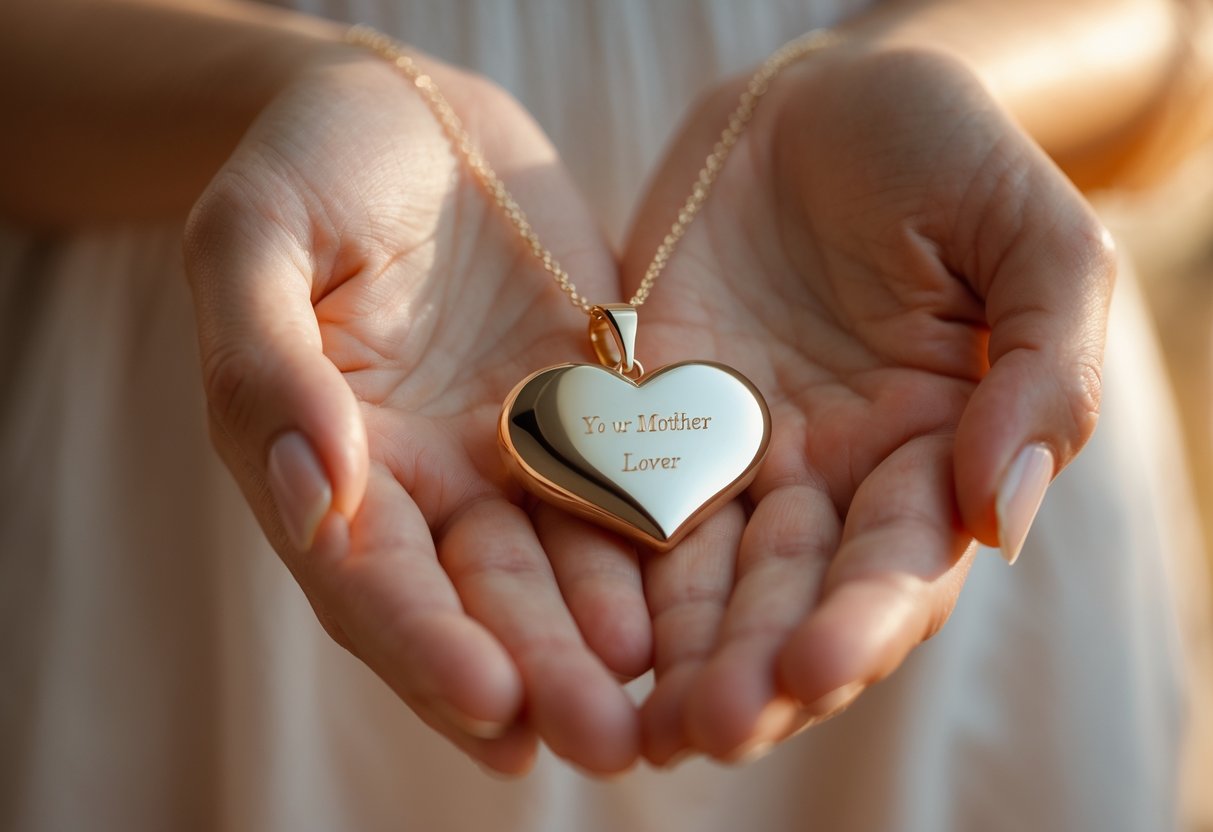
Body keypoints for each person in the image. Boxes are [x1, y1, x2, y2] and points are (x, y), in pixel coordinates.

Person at [1, 0, 1210, 829]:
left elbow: (1177, 34)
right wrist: (281, 88)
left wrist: (950, 83)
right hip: (301, 333)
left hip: (903, 346)